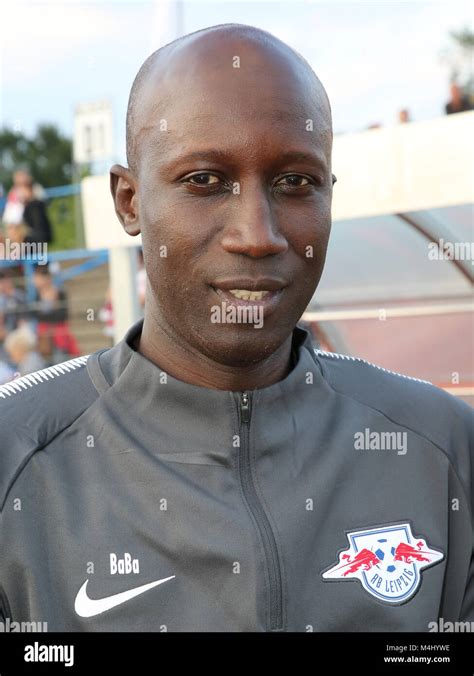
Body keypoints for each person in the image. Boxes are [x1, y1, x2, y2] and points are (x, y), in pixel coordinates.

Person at [0, 24, 472, 632]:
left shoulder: (444, 449)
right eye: (205, 180)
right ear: (129, 201)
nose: (257, 235)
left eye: (294, 182)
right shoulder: (18, 460)